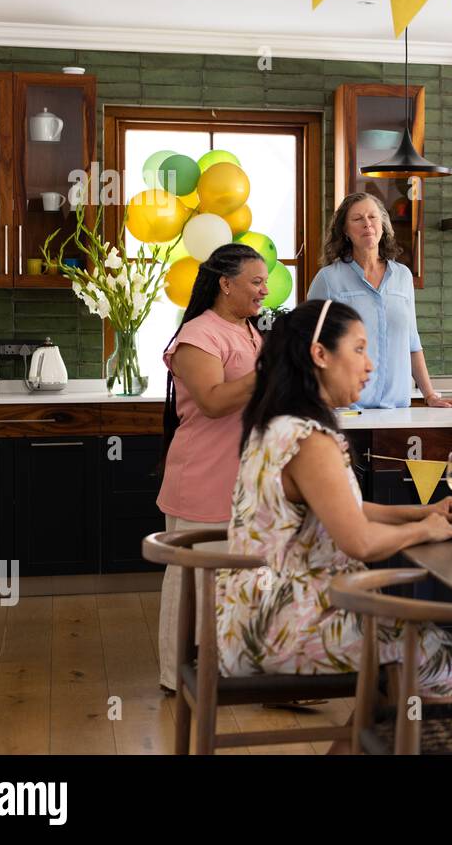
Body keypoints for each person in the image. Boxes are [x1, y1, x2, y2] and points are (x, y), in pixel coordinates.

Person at [216, 300, 452, 720]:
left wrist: (419, 512)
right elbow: (358, 541)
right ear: (320, 354)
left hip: (247, 619)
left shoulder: (275, 425)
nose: (370, 365)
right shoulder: (310, 440)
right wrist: (425, 531)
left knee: (407, 651)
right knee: (451, 660)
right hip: (283, 629)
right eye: (358, 349)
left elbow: (345, 509)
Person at [155, 243, 269, 691]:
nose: (264, 290)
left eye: (264, 281)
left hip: (245, 479)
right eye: (255, 281)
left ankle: (233, 671)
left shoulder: (249, 331)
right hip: (204, 476)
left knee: (239, 582)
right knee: (190, 585)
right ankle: (176, 677)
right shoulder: (198, 336)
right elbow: (215, 401)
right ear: (225, 284)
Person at [308, 192, 452, 409]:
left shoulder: (403, 276)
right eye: (357, 219)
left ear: (383, 225)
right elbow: (309, 346)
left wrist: (430, 395)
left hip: (397, 409)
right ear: (345, 230)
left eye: (372, 217)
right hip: (346, 411)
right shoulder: (328, 279)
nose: (367, 224)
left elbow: (412, 342)